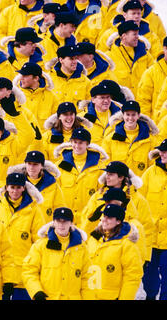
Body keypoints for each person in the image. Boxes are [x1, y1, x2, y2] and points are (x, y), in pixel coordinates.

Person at [22, 207, 93, 300]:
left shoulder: (81, 248)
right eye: (58, 221)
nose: (61, 224)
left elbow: (87, 278)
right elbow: (29, 271)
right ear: (54, 222)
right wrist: (36, 291)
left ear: (71, 223)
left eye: (65, 221)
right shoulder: (41, 245)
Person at [0, 172, 46, 300]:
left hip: (22, 274)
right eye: (12, 187)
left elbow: (39, 241)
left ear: (24, 187)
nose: (15, 191)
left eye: (18, 187)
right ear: (6, 187)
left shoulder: (33, 210)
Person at [86, 204, 143, 300]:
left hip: (112, 297)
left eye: (109, 218)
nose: (104, 220)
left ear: (118, 221)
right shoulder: (94, 239)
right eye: (104, 216)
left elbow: (132, 277)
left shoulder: (126, 245)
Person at [54, 127, 109, 225]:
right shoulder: (60, 165)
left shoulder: (99, 166)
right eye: (74, 142)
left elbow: (103, 192)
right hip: (64, 220)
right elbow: (55, 192)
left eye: (81, 143)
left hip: (88, 220)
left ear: (87, 144)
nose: (77, 146)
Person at [140, 139, 167, 300]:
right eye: (161, 151)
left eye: (165, 151)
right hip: (151, 236)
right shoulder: (150, 173)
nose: (162, 153)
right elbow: (139, 200)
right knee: (149, 277)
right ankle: (150, 296)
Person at [102, 100, 159, 177]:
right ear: (123, 115)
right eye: (127, 115)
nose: (130, 118)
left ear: (138, 115)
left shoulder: (150, 140)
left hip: (140, 186)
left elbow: (154, 167)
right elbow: (105, 163)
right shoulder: (110, 139)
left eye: (133, 115)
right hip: (118, 186)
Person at [7, 151, 66, 223]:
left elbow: (60, 208)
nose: (31, 167)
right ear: (25, 164)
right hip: (23, 228)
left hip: (45, 228)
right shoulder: (16, 184)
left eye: (35, 164)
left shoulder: (52, 184)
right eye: (29, 164)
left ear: (42, 166)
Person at [105, 20, 153, 96]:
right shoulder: (109, 57)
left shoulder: (146, 55)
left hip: (142, 101)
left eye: (138, 34)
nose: (138, 37)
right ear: (124, 36)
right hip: (121, 102)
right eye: (134, 34)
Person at [78, 80, 129, 145]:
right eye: (102, 98)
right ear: (93, 99)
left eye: (108, 97)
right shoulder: (81, 118)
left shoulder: (122, 117)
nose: (106, 101)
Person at [14, 62, 57, 131]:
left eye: (25, 76)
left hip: (43, 140)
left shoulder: (51, 97)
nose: (21, 78)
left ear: (36, 78)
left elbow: (57, 123)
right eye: (21, 75)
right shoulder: (14, 96)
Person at [138, 37, 167, 121]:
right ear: (165, 49)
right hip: (158, 126)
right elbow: (144, 102)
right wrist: (148, 125)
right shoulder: (150, 73)